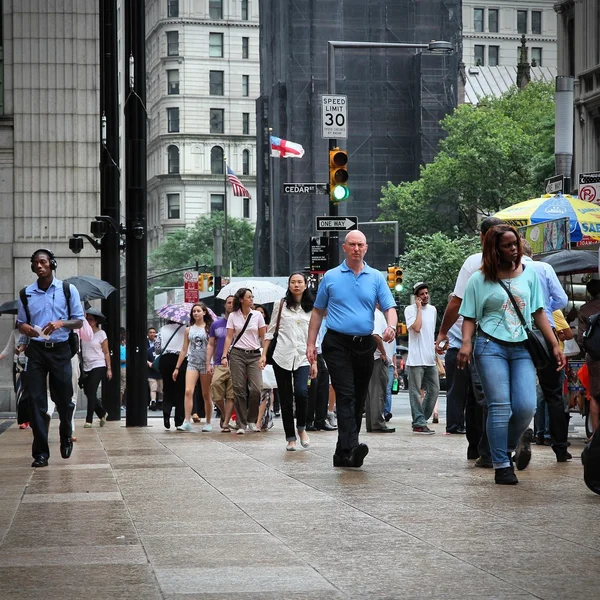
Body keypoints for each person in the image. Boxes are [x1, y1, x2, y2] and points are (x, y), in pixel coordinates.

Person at [457, 225, 566, 485]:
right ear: (494, 249)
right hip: (489, 346)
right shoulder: (479, 280)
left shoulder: (528, 276)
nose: (514, 249)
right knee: (499, 406)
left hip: (521, 347)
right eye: (507, 245)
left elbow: (539, 312)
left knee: (526, 406)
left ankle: (503, 449)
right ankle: (502, 465)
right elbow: (470, 317)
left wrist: (554, 345)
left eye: (515, 243)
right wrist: (465, 344)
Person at [307, 230, 397, 468]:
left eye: (361, 245)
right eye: (352, 245)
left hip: (364, 344)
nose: (357, 249)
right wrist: (311, 344)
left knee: (357, 399)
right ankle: (352, 447)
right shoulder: (331, 277)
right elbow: (317, 311)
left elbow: (390, 307)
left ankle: (342, 453)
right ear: (344, 248)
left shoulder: (376, 277)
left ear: (366, 248)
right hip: (336, 343)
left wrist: (391, 326)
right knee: (346, 395)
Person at [435, 216, 504, 466]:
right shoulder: (522, 263)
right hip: (505, 338)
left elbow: (457, 302)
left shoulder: (474, 262)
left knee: (480, 396)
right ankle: (490, 447)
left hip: (482, 339)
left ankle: (480, 448)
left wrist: (443, 333)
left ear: (482, 236)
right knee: (493, 395)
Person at [17, 249, 84, 468]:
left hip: (61, 349)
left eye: (43, 262)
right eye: (35, 263)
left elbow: (79, 321)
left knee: (63, 399)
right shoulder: (25, 293)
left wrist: (61, 323)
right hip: (36, 351)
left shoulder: (67, 289)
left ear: (52, 264)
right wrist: (24, 328)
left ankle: (66, 434)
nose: (39, 266)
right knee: (36, 401)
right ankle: (40, 453)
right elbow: (21, 322)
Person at [521, 241, 571, 462]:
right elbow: (562, 300)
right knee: (553, 393)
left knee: (518, 389)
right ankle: (560, 448)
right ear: (531, 253)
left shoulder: (504, 268)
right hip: (545, 333)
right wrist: (546, 307)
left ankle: (520, 437)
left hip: (516, 333)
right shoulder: (543, 268)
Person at [263, 273, 316, 451]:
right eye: (293, 282)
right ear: (289, 285)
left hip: (303, 356)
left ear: (305, 285)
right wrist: (264, 355)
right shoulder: (281, 305)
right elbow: (270, 332)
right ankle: (290, 437)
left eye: (299, 282)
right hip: (282, 356)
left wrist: (314, 362)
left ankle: (301, 428)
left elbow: (315, 337)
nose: (296, 285)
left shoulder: (312, 308)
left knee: (301, 393)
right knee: (285, 399)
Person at [221, 288, 266, 434]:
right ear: (241, 300)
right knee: (239, 389)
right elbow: (229, 337)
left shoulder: (258, 315)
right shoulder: (233, 316)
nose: (252, 299)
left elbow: (263, 337)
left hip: (254, 355)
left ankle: (252, 419)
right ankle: (241, 424)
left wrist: (264, 355)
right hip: (237, 354)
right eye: (249, 297)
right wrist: (224, 356)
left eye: (252, 296)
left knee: (256, 389)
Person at [174, 303, 214, 432]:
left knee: (206, 394)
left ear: (204, 312)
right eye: (194, 311)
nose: (195, 313)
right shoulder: (188, 329)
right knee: (188, 391)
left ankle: (208, 421)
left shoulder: (209, 328)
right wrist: (177, 367)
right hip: (192, 362)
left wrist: (212, 363)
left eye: (198, 311)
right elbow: (184, 349)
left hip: (206, 364)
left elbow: (213, 346)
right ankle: (186, 421)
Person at [405, 282, 439, 434]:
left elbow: (430, 333)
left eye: (426, 293)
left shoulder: (433, 310)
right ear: (416, 297)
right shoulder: (409, 310)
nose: (425, 296)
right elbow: (417, 328)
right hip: (415, 359)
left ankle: (420, 420)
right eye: (422, 294)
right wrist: (418, 309)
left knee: (434, 390)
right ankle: (419, 422)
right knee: (416, 392)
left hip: (430, 358)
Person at [206, 295, 235, 432]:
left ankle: (226, 422)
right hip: (219, 363)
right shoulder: (216, 324)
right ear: (225, 305)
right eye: (228, 302)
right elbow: (211, 344)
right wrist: (208, 363)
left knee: (231, 395)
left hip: (236, 363)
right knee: (215, 388)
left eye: (233, 302)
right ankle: (224, 413)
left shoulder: (241, 323)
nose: (231, 305)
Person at [365, 306, 396, 433]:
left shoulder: (369, 312)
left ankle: (371, 423)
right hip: (378, 358)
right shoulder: (377, 314)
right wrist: (383, 352)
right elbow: (376, 336)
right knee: (379, 392)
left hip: (371, 358)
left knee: (371, 393)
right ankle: (377, 423)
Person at [81, 309, 111, 427]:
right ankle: (102, 413)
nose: (89, 322)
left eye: (91, 319)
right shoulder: (82, 333)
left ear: (96, 321)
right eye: (87, 319)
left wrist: (109, 368)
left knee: (92, 391)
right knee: (88, 392)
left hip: (98, 364)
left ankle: (89, 420)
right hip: (86, 365)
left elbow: (106, 352)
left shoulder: (101, 333)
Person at [155, 320, 187, 429]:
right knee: (180, 390)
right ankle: (179, 420)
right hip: (181, 360)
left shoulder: (162, 329)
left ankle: (166, 414)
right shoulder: (186, 329)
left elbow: (157, 348)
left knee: (167, 389)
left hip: (166, 360)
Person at [578, 279, 600, 434]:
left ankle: (595, 435)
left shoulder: (585, 310)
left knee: (594, 394)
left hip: (594, 357)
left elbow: (581, 339)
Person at [147, 327, 162, 411]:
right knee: (153, 387)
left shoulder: (162, 350)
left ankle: (160, 402)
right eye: (150, 332)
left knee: (161, 389)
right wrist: (149, 363)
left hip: (160, 372)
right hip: (151, 372)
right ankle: (153, 401)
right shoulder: (149, 350)